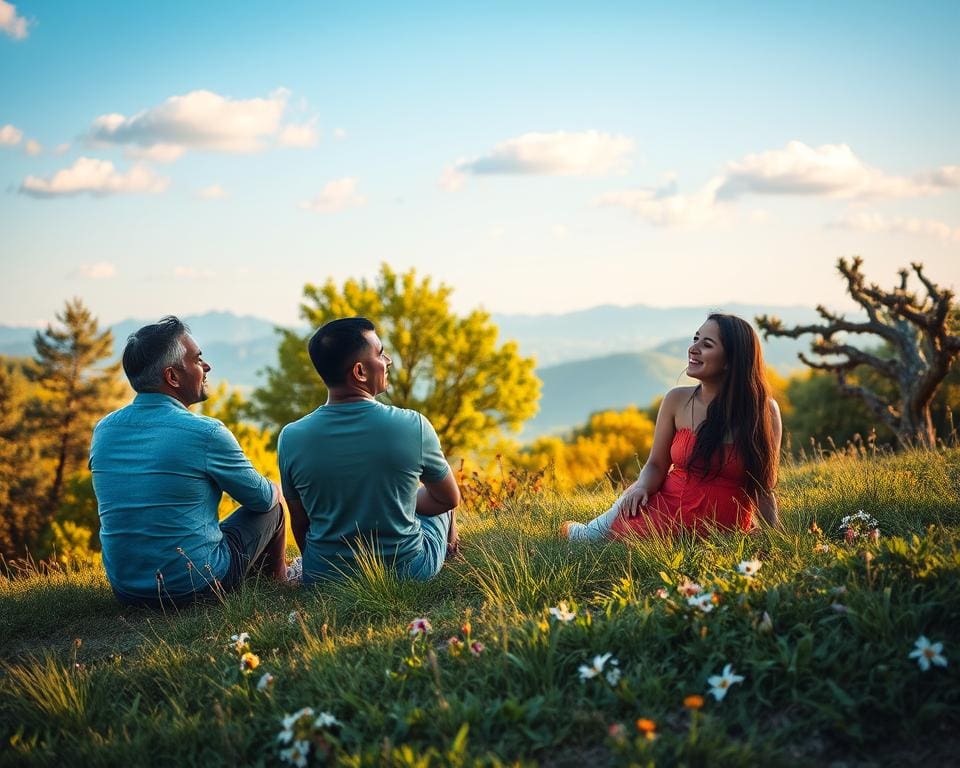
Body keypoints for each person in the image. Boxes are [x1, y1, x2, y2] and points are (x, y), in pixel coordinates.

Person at [90, 316, 286, 607]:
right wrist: (275, 488)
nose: (206, 367)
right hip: (195, 588)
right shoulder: (206, 432)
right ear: (173, 377)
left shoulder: (103, 429)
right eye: (198, 359)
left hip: (126, 592)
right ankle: (280, 580)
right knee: (274, 505)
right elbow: (260, 500)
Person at [562, 313, 782, 541]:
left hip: (724, 531)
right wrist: (641, 487)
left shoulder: (764, 412)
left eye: (706, 344)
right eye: (695, 339)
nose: (693, 348)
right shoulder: (676, 400)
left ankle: (590, 530)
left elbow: (763, 487)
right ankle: (586, 531)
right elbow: (656, 464)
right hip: (662, 517)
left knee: (592, 535)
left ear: (731, 360)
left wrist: (776, 540)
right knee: (587, 537)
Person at [278, 317, 460, 583]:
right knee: (441, 491)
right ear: (360, 372)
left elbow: (301, 522)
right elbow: (448, 499)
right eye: (381, 354)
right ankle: (452, 549)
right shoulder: (414, 425)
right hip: (408, 572)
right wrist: (404, 503)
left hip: (325, 576)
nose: (388, 361)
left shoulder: (290, 437)